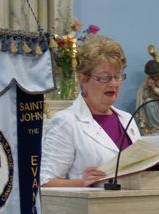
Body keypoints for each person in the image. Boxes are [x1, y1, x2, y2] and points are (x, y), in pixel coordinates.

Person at [40, 35, 141, 187]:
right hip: (90, 209)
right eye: (104, 78)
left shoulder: (127, 120)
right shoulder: (66, 122)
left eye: (117, 76)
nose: (113, 84)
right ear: (83, 80)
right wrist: (82, 183)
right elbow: (44, 182)